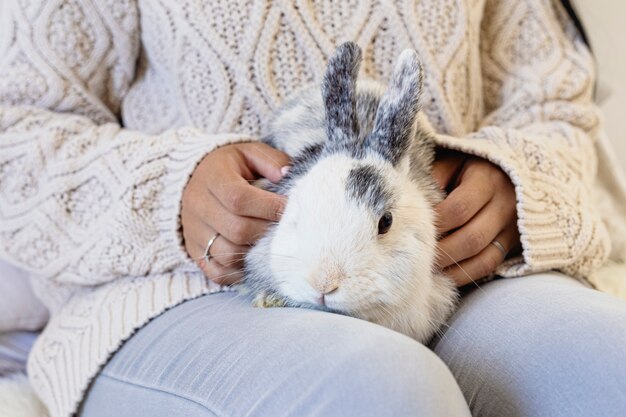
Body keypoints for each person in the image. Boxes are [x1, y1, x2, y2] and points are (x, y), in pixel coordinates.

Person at [0, 0, 625, 416]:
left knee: (606, 364)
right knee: (385, 394)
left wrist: (518, 183)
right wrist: (171, 191)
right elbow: (15, 138)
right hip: (181, 291)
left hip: (449, 278)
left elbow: (556, 108)